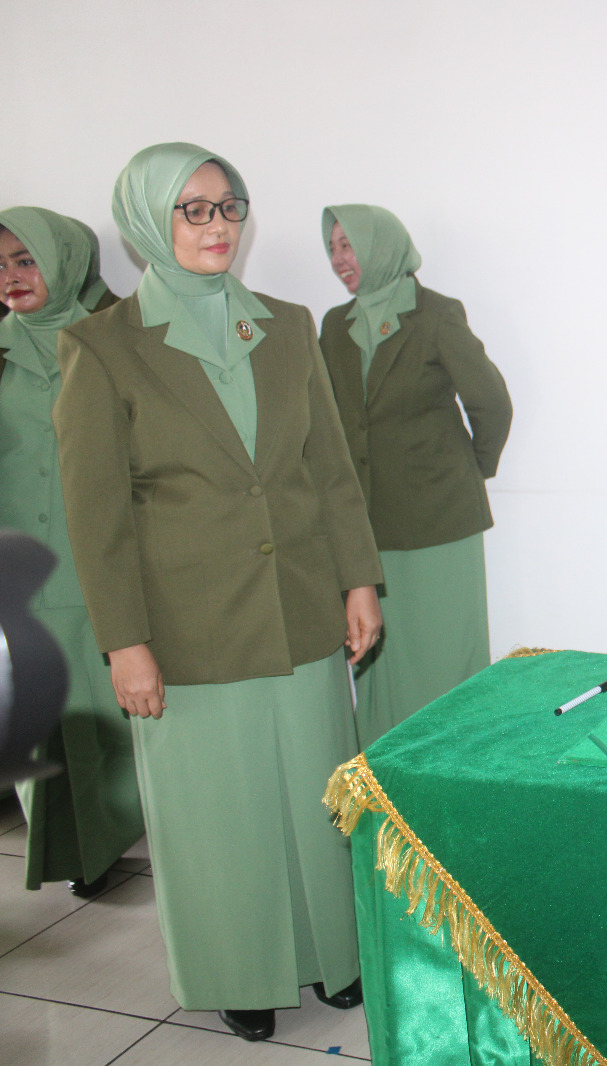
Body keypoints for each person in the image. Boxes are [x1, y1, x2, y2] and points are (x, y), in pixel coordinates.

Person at [53, 143, 382, 1042]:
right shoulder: (101, 347)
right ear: (145, 221)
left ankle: (335, 953)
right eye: (193, 209)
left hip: (299, 605)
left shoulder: (287, 325)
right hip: (186, 627)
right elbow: (97, 515)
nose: (219, 225)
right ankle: (241, 969)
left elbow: (329, 468)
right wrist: (125, 641)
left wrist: (358, 578)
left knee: (317, 793)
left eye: (229, 205)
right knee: (219, 811)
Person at [319, 204, 512, 748]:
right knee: (378, 661)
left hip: (439, 524)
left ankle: (454, 772)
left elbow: (492, 403)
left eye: (349, 244)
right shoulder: (334, 326)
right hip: (365, 530)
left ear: (381, 245)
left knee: (444, 659)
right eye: (332, 247)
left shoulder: (436, 315)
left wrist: (471, 470)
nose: (339, 259)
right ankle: (384, 779)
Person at [0, 206, 143, 897]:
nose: (11, 277)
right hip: (20, 570)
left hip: (97, 561)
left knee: (106, 717)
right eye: (1, 265)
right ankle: (76, 854)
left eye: (26, 260)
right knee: (41, 719)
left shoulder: (112, 338)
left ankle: (115, 836)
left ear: (60, 261)